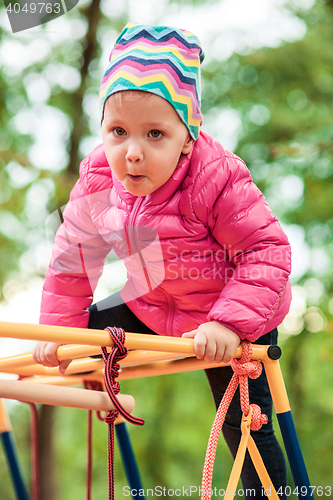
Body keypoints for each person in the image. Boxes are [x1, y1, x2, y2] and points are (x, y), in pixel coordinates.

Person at [33, 23, 291, 498]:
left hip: (230, 314)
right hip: (154, 304)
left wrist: (229, 325)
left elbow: (266, 252)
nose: (132, 153)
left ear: (187, 138)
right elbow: (72, 261)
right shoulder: (96, 179)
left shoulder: (215, 177)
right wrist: (59, 330)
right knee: (84, 338)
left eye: (155, 134)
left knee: (243, 426)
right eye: (118, 132)